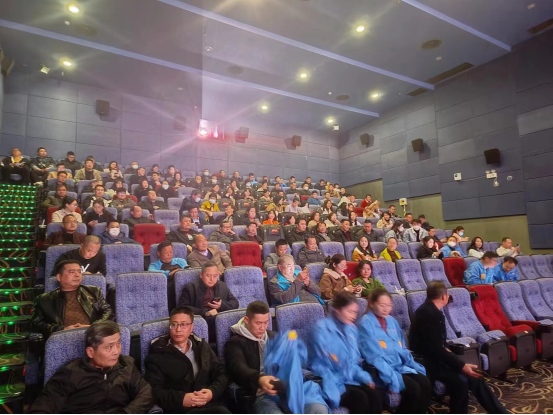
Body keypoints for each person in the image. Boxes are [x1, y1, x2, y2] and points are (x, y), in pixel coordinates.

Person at [409, 282, 507, 414]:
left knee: (473, 377)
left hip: (435, 358)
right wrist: (461, 365)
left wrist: (456, 360)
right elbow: (435, 349)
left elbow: (439, 345)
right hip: (426, 362)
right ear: (444, 296)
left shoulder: (430, 310)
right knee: (464, 378)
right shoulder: (429, 314)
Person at [224, 301, 328, 414]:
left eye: (266, 323)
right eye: (258, 323)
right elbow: (239, 369)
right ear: (247, 320)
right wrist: (259, 379)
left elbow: (287, 363)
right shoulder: (235, 343)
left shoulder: (273, 336)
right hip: (260, 395)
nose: (262, 328)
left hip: (284, 389)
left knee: (318, 409)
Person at [29, 321, 153, 413]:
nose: (116, 351)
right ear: (90, 352)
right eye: (109, 347)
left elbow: (146, 392)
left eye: (118, 344)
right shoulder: (70, 373)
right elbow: (42, 408)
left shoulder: (126, 364)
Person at [144, 306, 231, 414]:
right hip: (178, 409)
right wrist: (181, 399)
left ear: (191, 327)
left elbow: (222, 373)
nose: (178, 329)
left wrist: (211, 392)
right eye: (174, 325)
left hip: (207, 404)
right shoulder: (158, 353)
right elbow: (152, 390)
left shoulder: (202, 346)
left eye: (184, 324)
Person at [358, 289, 431, 414]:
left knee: (425, 383)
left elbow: (402, 348)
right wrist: (391, 380)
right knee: (413, 389)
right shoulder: (365, 323)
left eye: (389, 305)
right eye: (382, 305)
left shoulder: (391, 321)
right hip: (381, 371)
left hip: (400, 367)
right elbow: (374, 357)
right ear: (372, 304)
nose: (386, 309)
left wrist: (415, 366)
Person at [310, 292, 384, 414]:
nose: (354, 316)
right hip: (331, 380)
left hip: (350, 377)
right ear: (337, 310)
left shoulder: (351, 329)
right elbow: (329, 363)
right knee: (360, 399)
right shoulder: (321, 328)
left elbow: (354, 361)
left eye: (355, 312)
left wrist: (364, 377)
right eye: (350, 312)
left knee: (375, 396)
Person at [31, 258, 113, 338]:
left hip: (93, 336)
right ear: (59, 277)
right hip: (63, 338)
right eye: (72, 272)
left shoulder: (94, 291)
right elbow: (35, 323)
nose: (77, 275)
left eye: (79, 271)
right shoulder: (44, 299)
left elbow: (108, 312)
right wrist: (61, 329)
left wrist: (93, 327)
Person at [177, 261, 239, 340]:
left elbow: (235, 303)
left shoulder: (222, 286)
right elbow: (182, 308)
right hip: (202, 319)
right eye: (208, 275)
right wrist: (205, 312)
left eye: (215, 276)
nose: (212, 279)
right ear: (201, 275)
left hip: (220, 318)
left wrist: (221, 305)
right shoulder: (190, 288)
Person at [149, 241, 188, 310]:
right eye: (166, 253)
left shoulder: (180, 261)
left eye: (171, 252)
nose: (169, 255)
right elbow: (151, 273)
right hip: (167, 290)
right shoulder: (154, 265)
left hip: (183, 286)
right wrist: (169, 273)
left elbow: (187, 271)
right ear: (159, 253)